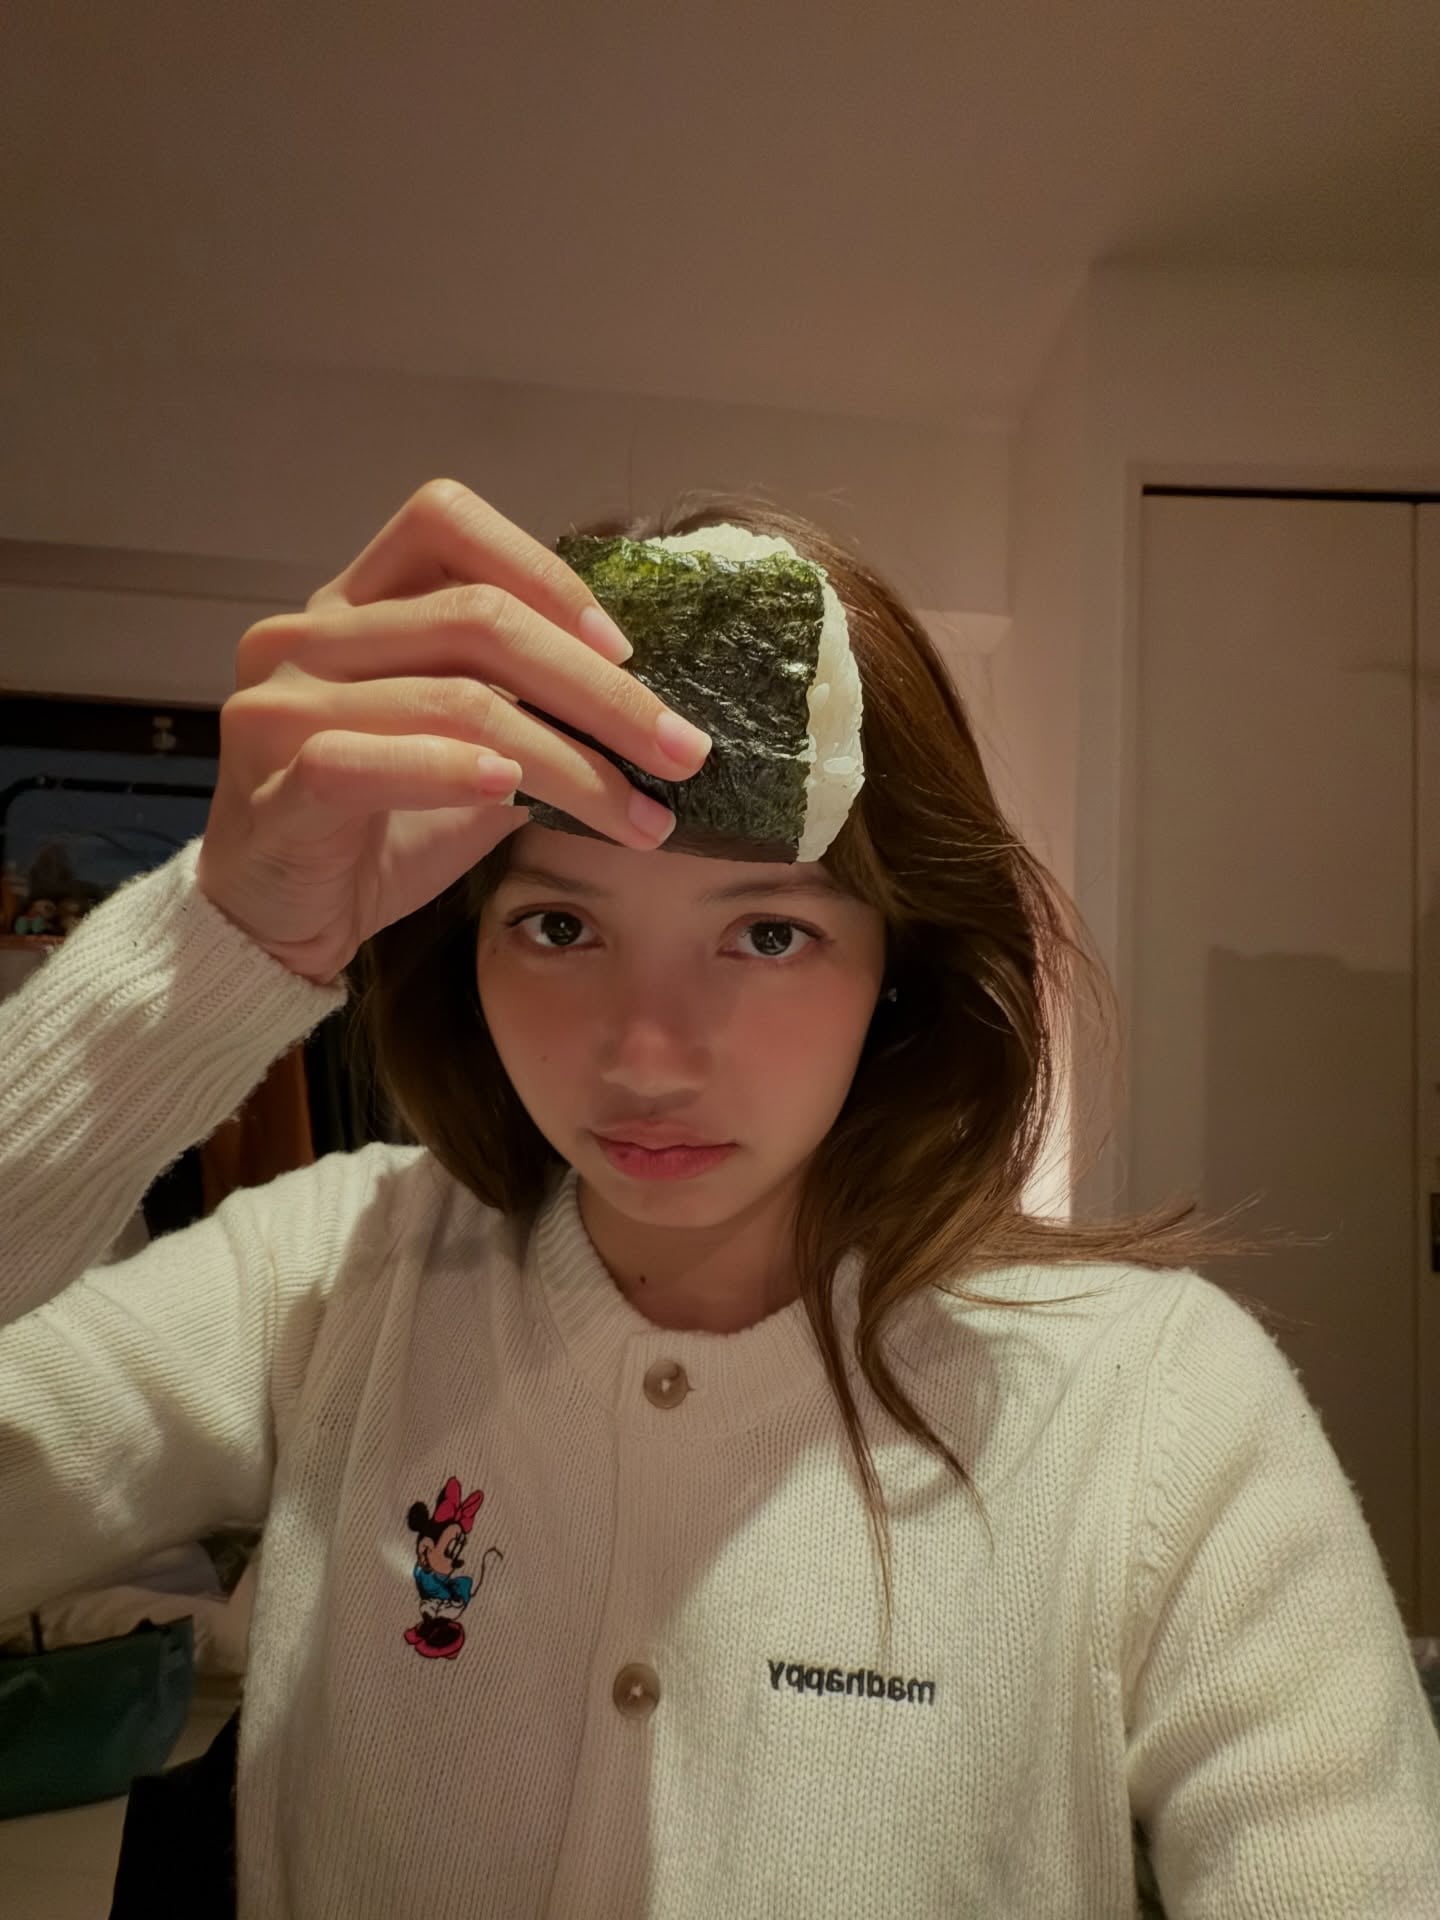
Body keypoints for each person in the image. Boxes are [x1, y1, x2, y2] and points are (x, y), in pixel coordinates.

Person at [2, 478, 1437, 1919]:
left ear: (900, 969)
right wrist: (216, 940)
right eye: (558, 924)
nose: (646, 1055)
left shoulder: (1154, 1401)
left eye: (767, 934)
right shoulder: (323, 1279)